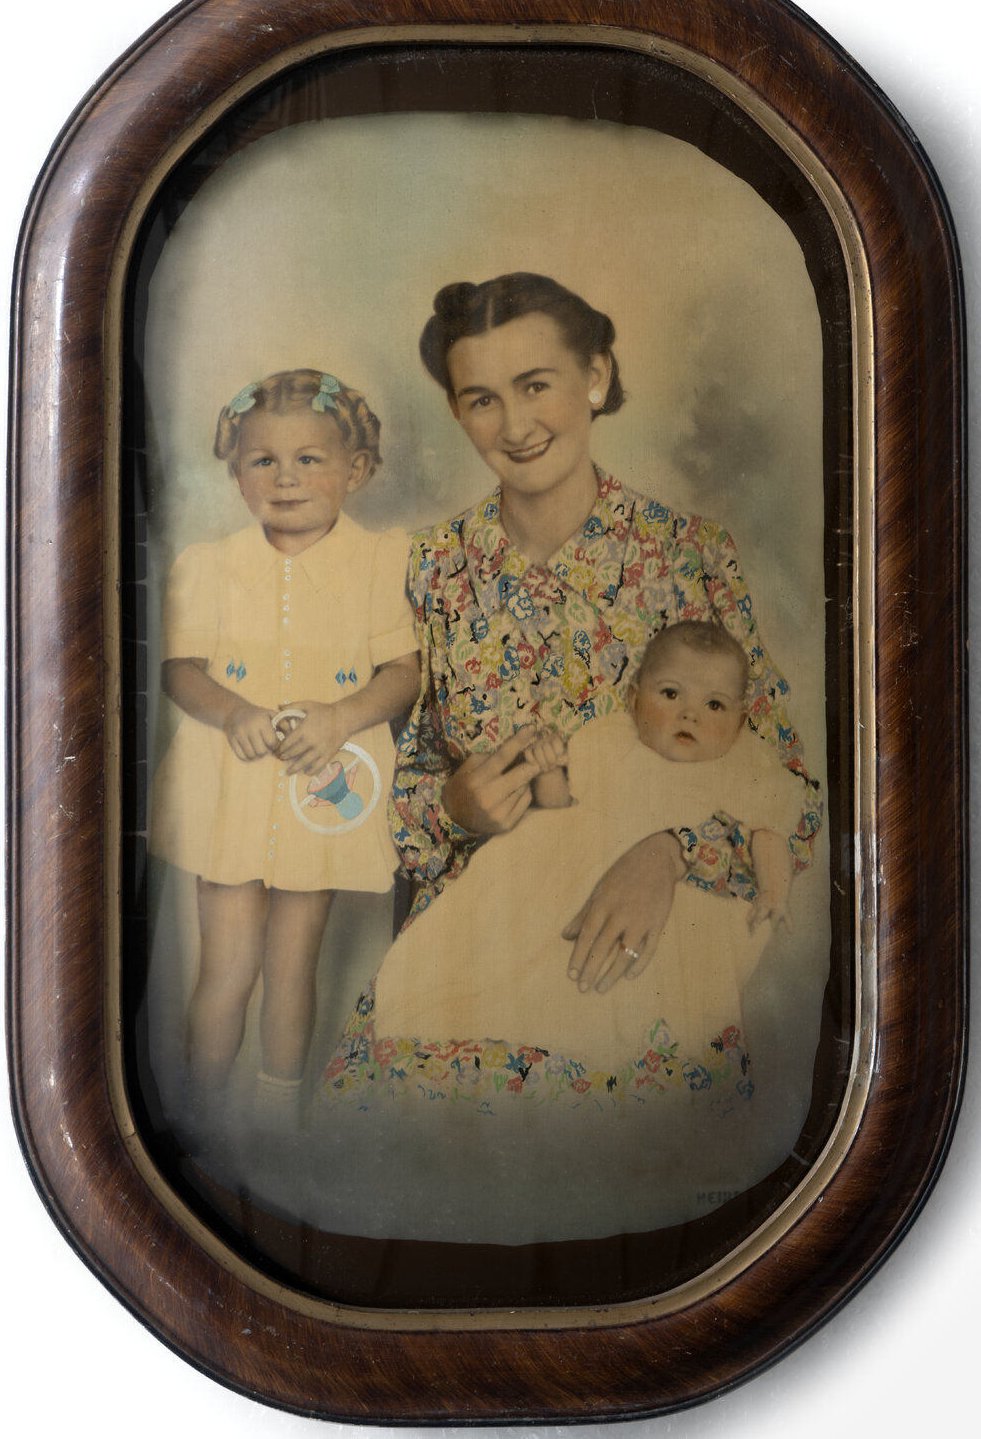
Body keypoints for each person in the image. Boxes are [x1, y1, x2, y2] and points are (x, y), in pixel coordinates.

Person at [389, 273, 822, 993]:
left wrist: (671, 853)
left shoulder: (691, 554)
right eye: (483, 400)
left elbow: (790, 792)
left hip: (640, 980)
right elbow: (391, 795)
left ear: (595, 376)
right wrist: (453, 809)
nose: (515, 426)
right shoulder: (428, 567)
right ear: (457, 413)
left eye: (535, 385)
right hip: (466, 970)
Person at [324, 621, 804, 1106]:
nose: (690, 715)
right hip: (565, 880)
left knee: (644, 1011)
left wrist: (774, 892)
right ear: (636, 699)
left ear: (740, 721)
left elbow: (770, 836)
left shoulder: (744, 766)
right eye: (671, 693)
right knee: (516, 967)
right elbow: (558, 804)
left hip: (668, 922)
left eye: (714, 705)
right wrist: (549, 767)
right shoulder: (614, 740)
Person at [149, 368, 420, 1133]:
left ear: (356, 470)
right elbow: (178, 668)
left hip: (322, 787)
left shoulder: (377, 565)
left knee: (293, 964)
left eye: (310, 458)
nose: (287, 477)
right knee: (228, 966)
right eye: (264, 460)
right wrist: (231, 710)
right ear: (236, 475)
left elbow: (403, 672)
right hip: (231, 796)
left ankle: (275, 1122)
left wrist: (341, 716)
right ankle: (200, 1120)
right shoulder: (210, 566)